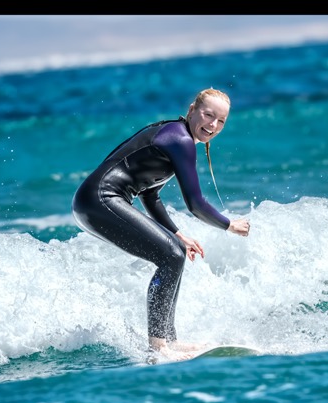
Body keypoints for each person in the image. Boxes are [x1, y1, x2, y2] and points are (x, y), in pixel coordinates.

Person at [72, 88, 251, 361]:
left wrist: (178, 234)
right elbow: (196, 203)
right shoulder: (180, 140)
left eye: (221, 121)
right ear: (193, 110)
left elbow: (149, 194)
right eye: (208, 115)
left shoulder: (175, 134)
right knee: (170, 256)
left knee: (174, 253)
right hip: (100, 199)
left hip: (93, 201)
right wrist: (229, 225)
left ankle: (167, 340)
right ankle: (158, 345)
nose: (213, 125)